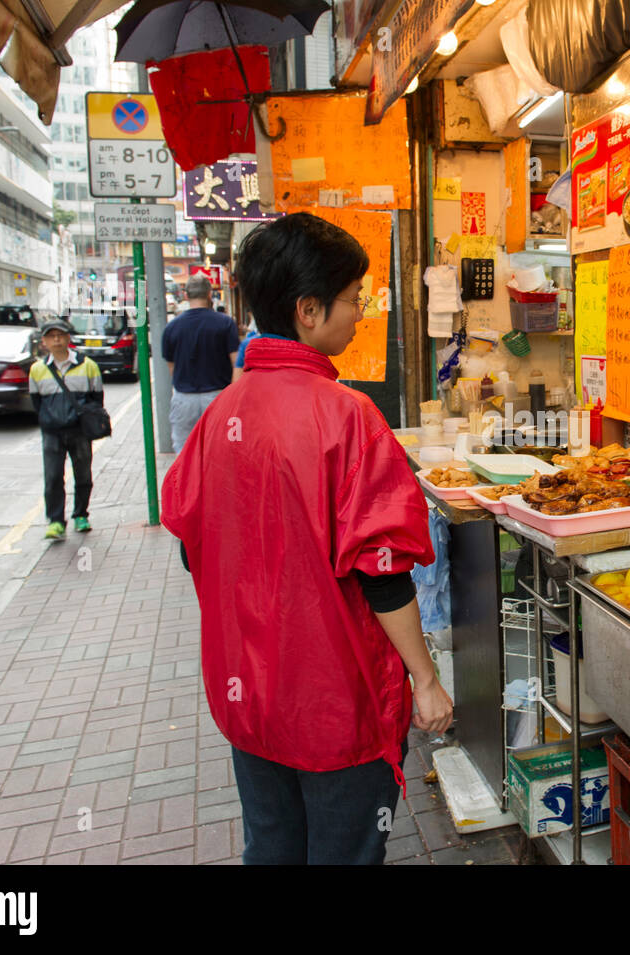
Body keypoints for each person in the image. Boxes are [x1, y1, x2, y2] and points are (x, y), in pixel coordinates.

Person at [160, 213, 452, 865]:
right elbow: (382, 572)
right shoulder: (347, 416)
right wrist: (425, 679)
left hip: (248, 695)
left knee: (271, 845)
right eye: (355, 299)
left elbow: (190, 546)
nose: (361, 312)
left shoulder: (221, 416)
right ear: (310, 309)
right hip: (335, 707)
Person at [28, 320, 104, 540]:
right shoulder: (37, 369)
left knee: (83, 475)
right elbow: (37, 402)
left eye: (60, 335)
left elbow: (96, 398)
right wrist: (48, 419)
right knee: (52, 476)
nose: (56, 340)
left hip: (79, 431)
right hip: (52, 432)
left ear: (68, 338)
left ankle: (81, 514)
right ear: (44, 342)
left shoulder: (87, 365)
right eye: (51, 336)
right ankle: (55, 521)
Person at [160, 275, 239, 452]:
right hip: (218, 398)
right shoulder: (225, 323)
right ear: (210, 294)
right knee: (220, 453)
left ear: (186, 295)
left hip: (184, 399)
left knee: (184, 454)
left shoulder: (172, 328)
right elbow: (236, 363)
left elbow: (171, 368)